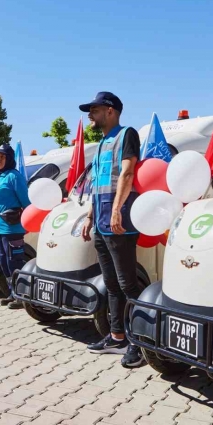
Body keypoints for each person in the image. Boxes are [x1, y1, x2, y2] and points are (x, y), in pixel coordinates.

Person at [79, 91, 144, 368]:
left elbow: (127, 174)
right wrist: (89, 217)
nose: (90, 115)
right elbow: (96, 186)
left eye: (94, 109)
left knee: (129, 284)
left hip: (119, 222)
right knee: (112, 284)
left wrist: (116, 209)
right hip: (101, 222)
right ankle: (117, 336)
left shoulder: (126, 134)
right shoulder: (102, 142)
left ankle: (139, 344)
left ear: (110, 111)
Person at [0, 144, 31, 309]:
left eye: (2, 156)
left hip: (11, 227)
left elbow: (26, 201)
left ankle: (21, 295)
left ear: (9, 158)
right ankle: (12, 292)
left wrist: (28, 220)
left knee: (14, 261)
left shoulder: (15, 176)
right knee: (4, 262)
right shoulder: (0, 177)